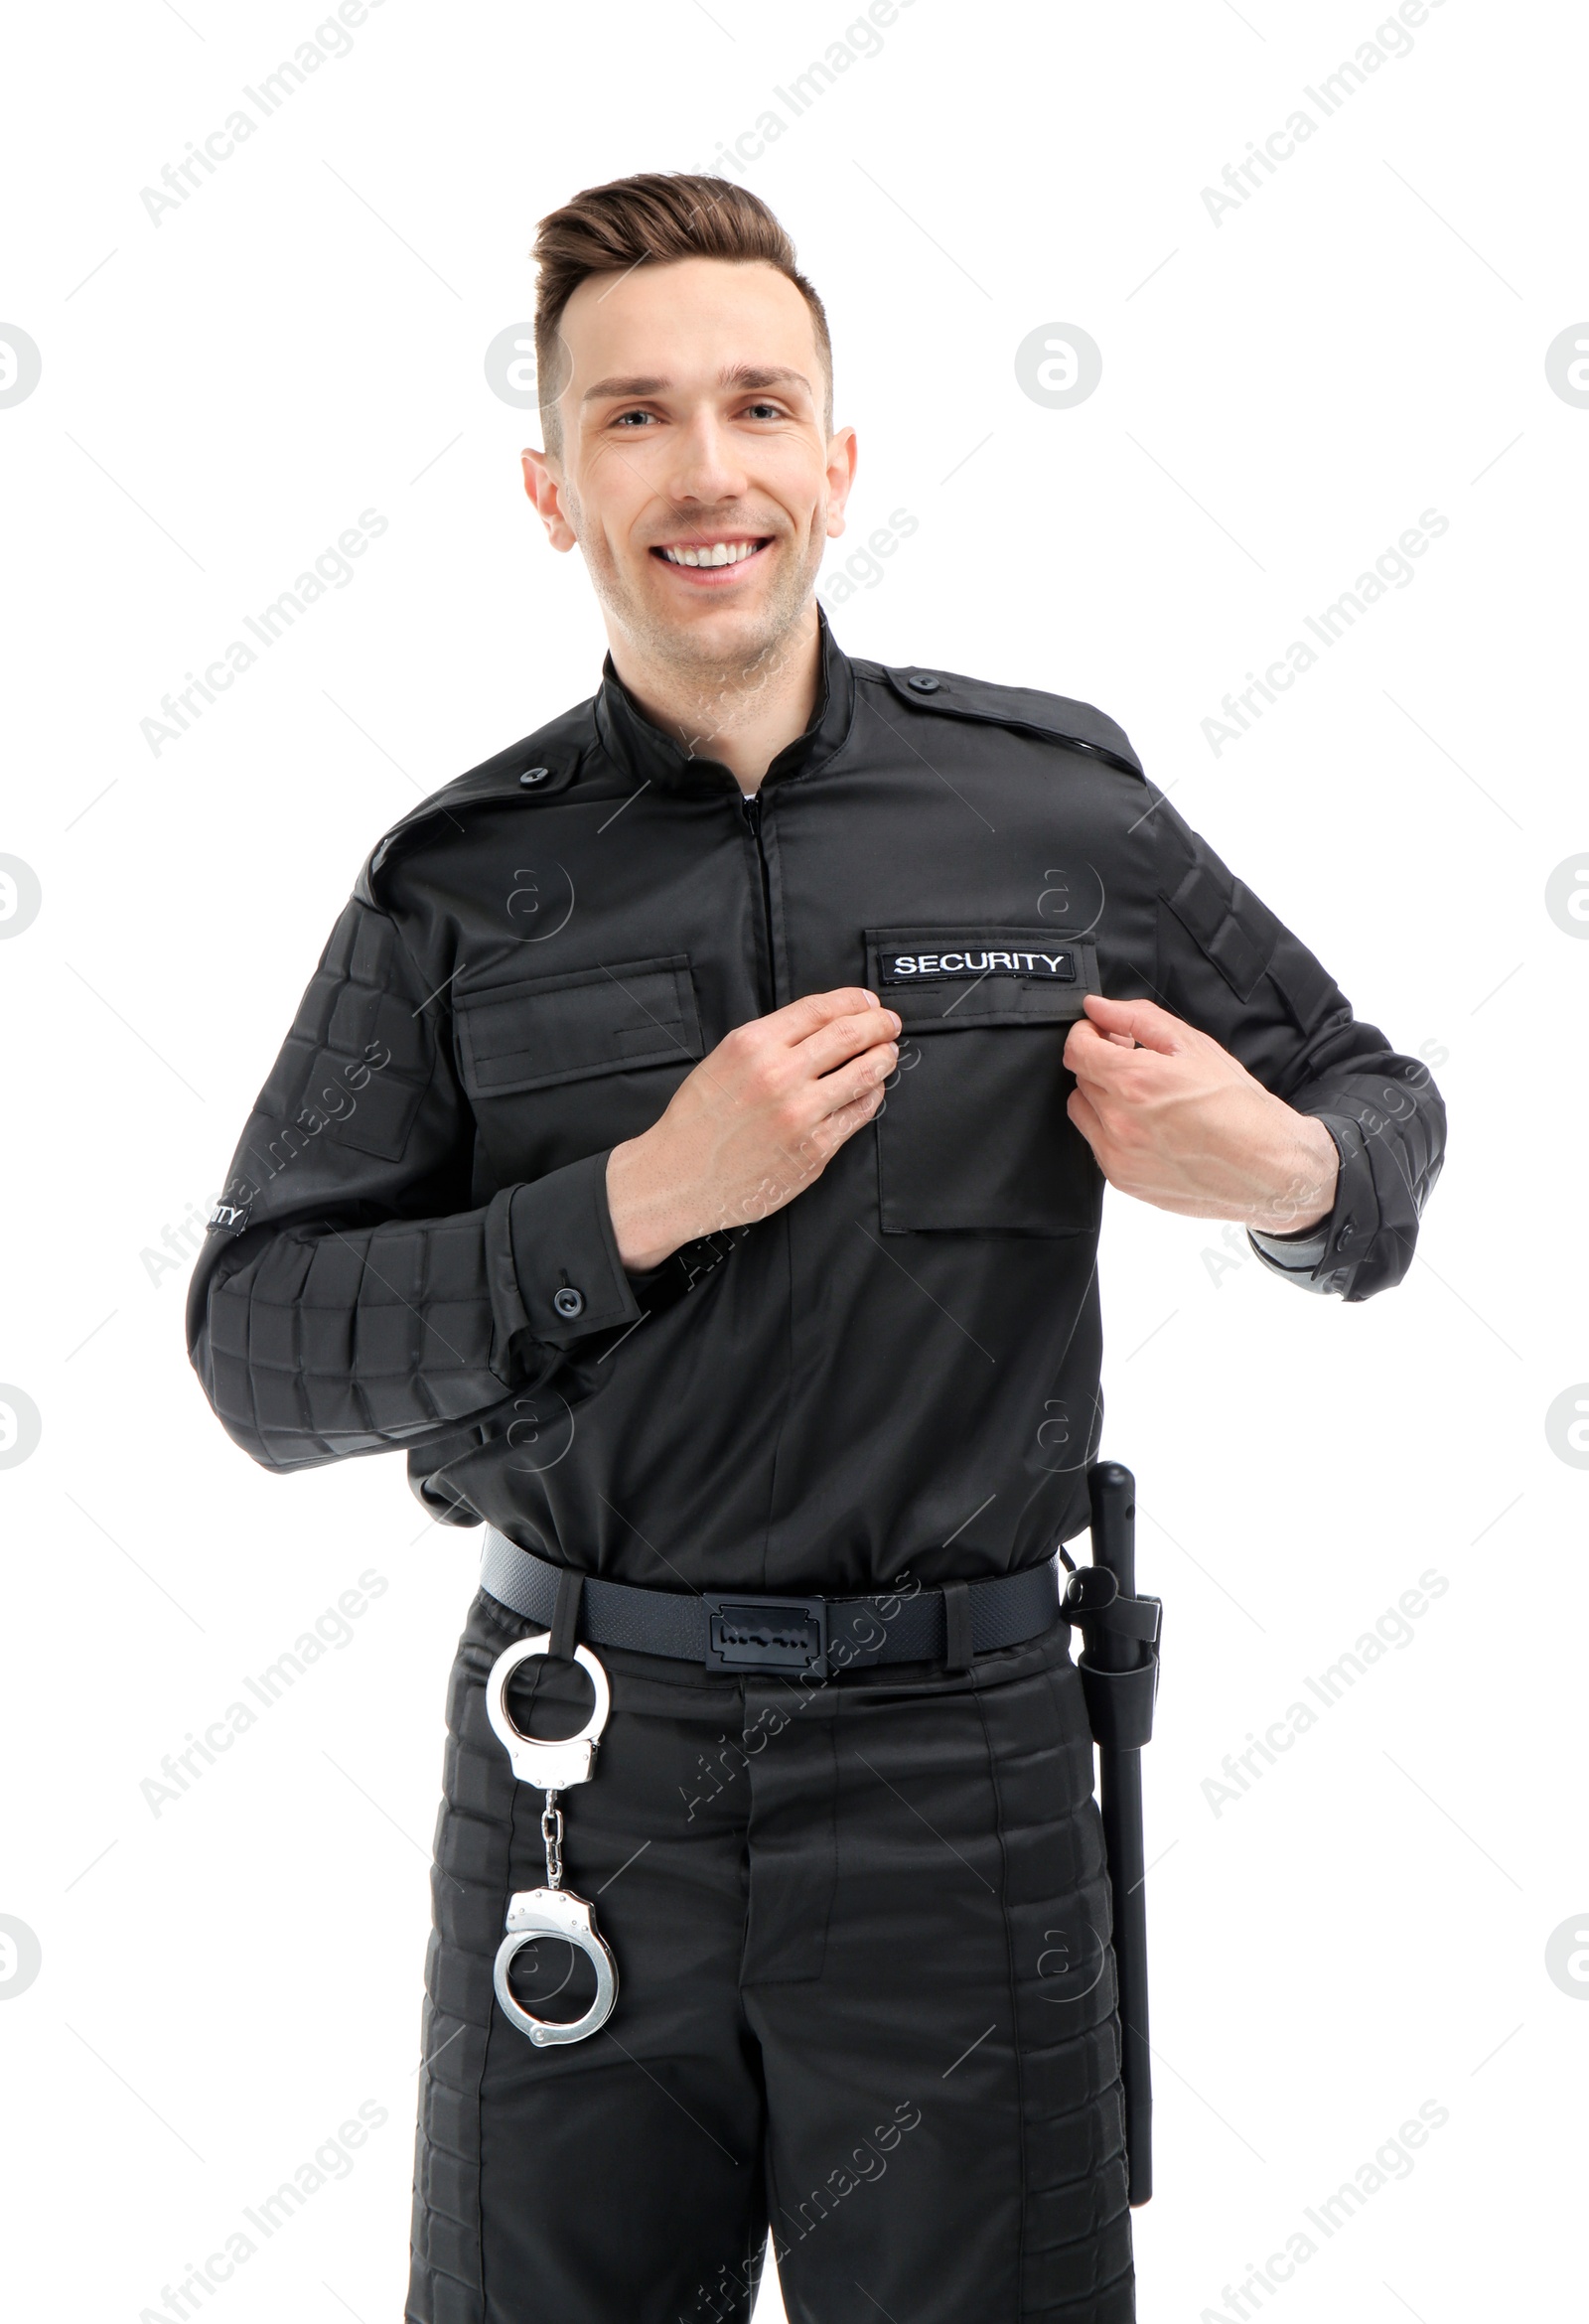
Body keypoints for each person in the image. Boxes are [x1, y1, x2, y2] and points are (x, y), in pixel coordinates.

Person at [187, 172, 1445, 2324]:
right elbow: (260, 1349)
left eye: (757, 406)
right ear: (549, 487)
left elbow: (1374, 1115)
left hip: (961, 1788)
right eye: (635, 417)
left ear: (834, 462)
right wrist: (640, 1201)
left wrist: (1286, 1180)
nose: (705, 470)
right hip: (577, 1774)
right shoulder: (458, 892)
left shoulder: (1052, 817)